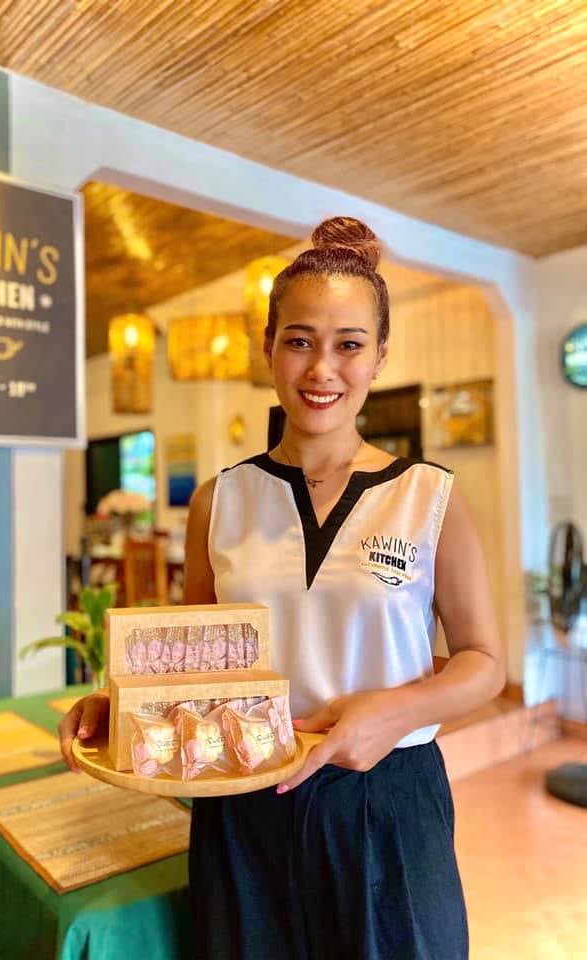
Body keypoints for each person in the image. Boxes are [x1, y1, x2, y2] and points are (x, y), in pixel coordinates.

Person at [59, 217, 505, 960]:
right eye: (299, 340)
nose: (321, 369)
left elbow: (484, 661)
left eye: (349, 345)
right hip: (245, 795)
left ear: (380, 357)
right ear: (268, 347)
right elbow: (200, 657)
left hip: (388, 801)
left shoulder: (428, 497)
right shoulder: (221, 498)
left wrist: (390, 713)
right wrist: (125, 705)